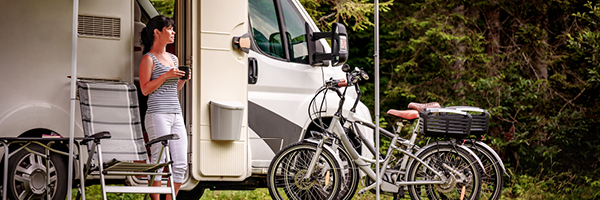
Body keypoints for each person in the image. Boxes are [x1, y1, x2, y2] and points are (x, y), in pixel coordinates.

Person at [139, 15, 189, 200]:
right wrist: (165, 76)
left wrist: (181, 80)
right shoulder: (148, 59)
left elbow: (172, 90)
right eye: (169, 29)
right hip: (157, 114)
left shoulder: (174, 58)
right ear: (157, 33)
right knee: (159, 163)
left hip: (176, 113)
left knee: (181, 163)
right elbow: (145, 89)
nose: (173, 32)